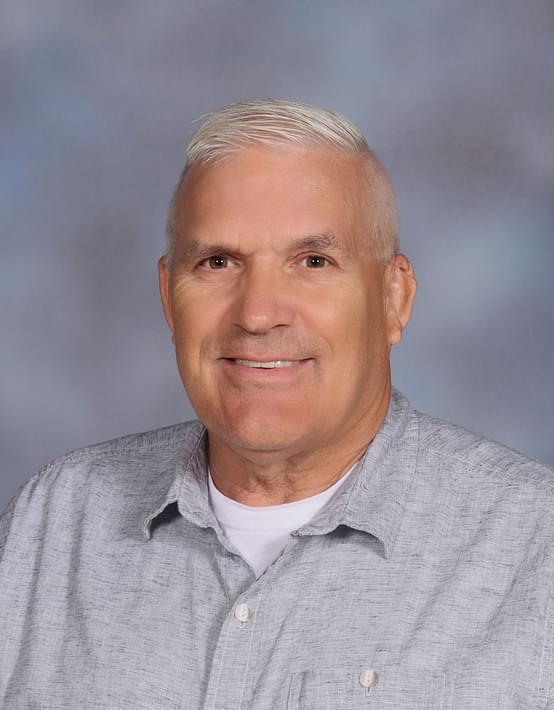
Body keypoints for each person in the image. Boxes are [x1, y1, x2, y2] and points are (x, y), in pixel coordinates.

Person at [0, 99, 552, 709]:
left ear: (394, 297)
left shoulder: (534, 548)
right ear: (167, 296)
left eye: (313, 261)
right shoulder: (52, 523)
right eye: (218, 262)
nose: (258, 314)